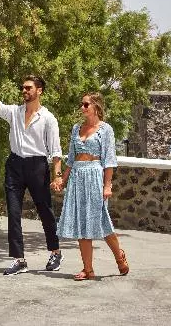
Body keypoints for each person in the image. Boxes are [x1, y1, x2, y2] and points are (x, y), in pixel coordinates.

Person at [0, 75, 64, 275]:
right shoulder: (15, 112)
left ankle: (55, 252)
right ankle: (19, 259)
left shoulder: (48, 118)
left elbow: (56, 151)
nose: (24, 91)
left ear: (39, 90)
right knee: (13, 212)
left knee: (45, 211)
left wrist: (57, 176)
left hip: (37, 166)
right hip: (15, 165)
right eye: (22, 88)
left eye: (28, 88)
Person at [54, 92, 129, 281]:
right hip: (77, 176)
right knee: (81, 223)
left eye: (86, 105)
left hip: (95, 175)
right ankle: (88, 269)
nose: (82, 108)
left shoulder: (106, 129)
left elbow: (109, 160)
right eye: (82, 104)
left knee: (102, 221)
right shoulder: (76, 128)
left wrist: (107, 185)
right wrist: (62, 179)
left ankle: (119, 256)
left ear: (96, 106)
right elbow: (71, 158)